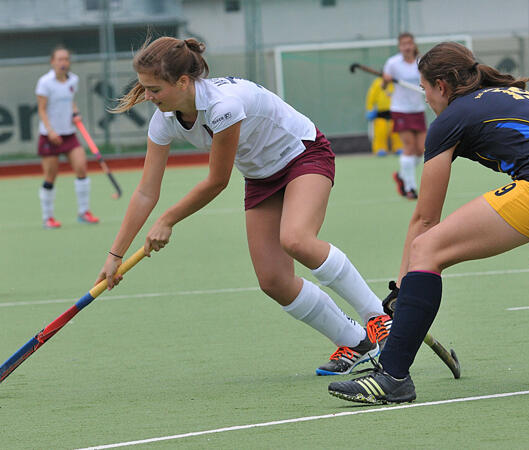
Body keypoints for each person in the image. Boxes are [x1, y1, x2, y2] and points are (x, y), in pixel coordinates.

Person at [328, 42, 529, 405]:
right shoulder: (512, 91)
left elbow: (425, 218)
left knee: (426, 250)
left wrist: (404, 285)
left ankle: (392, 377)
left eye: (425, 89)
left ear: (442, 86)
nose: (426, 99)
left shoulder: (449, 119)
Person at [95, 36, 392, 376]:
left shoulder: (223, 106)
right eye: (144, 88)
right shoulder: (163, 119)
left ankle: (379, 317)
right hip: (261, 176)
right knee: (273, 281)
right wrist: (115, 256)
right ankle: (358, 344)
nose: (147, 97)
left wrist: (168, 219)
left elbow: (217, 180)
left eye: (154, 89)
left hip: (302, 155)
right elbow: (146, 191)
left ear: (182, 82)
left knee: (296, 239)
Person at [36, 45, 100, 228]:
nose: (63, 63)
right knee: (50, 176)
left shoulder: (73, 80)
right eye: (60, 59)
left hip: (69, 133)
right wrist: (50, 131)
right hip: (50, 136)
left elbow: (71, 101)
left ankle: (84, 212)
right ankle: (48, 217)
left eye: (66, 59)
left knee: (81, 168)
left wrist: (75, 112)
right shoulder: (45, 82)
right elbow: (41, 109)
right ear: (52, 62)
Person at [383, 32, 427, 199]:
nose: (407, 47)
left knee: (421, 150)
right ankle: (410, 188)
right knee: (409, 147)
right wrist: (386, 79)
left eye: (409, 43)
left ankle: (402, 175)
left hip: (418, 109)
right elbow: (383, 85)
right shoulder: (392, 63)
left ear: (413, 44)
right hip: (400, 109)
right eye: (403, 44)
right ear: (399, 46)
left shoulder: (421, 62)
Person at [365, 77, 402, 156]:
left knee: (396, 132)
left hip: (394, 111)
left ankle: (398, 147)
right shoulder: (377, 83)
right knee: (380, 131)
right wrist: (370, 109)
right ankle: (380, 148)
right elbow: (371, 96)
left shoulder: (395, 83)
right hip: (380, 113)